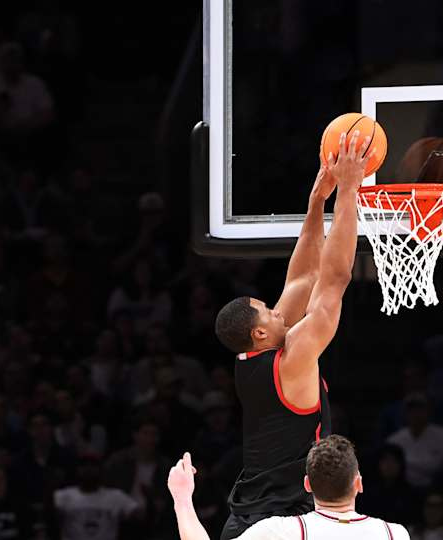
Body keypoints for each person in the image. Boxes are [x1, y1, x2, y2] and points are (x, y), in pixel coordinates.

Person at [212, 130, 374, 539]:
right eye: (268, 310)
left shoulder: (254, 355)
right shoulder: (293, 359)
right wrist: (349, 191)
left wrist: (317, 201)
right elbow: (334, 280)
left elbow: (303, 276)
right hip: (280, 521)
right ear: (260, 332)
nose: (277, 309)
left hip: (247, 517)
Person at [168, 434, 409, 539]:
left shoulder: (282, 531)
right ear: (359, 483)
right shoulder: (394, 534)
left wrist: (182, 498)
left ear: (307, 484)